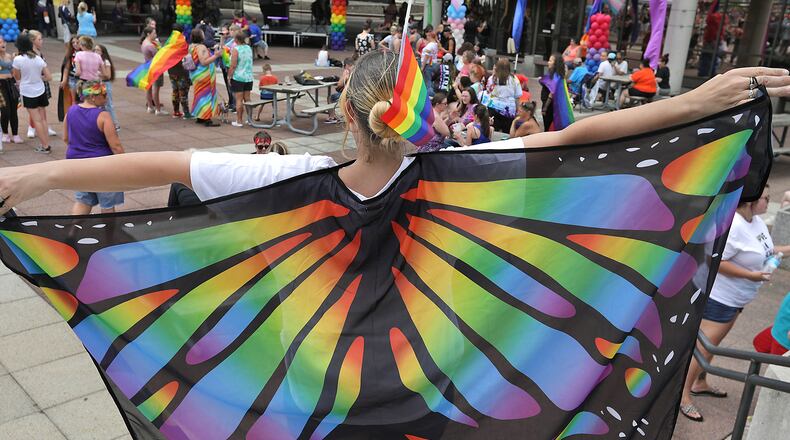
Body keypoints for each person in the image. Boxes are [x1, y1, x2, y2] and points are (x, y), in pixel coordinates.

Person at [0, 53, 786, 261]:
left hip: (315, 362)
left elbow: (155, 170)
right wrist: (700, 100)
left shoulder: (286, 174)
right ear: (421, 116)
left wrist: (33, 174)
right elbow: (578, 136)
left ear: (346, 113)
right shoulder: (468, 169)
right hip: (426, 371)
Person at [680, 187, 790, 422]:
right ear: (750, 202)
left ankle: (700, 382)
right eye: (765, 198)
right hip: (722, 299)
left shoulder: (757, 222)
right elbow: (715, 260)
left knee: (713, 345)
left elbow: (768, 251)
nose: (769, 202)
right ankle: (683, 396)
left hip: (738, 299)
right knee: (705, 347)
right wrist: (750, 276)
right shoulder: (735, 226)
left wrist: (786, 251)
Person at [63, 81, 124, 214]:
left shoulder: (71, 111)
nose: (106, 97)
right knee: (107, 205)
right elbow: (116, 146)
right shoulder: (103, 116)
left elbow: (66, 139)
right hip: (102, 166)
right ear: (93, 97)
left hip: (78, 165)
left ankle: (73, 232)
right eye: (103, 94)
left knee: (83, 201)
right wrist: (126, 163)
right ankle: (109, 234)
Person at [12, 32, 52, 154]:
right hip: (40, 90)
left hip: (28, 91)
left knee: (37, 120)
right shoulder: (38, 58)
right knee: (43, 119)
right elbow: (49, 77)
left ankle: (45, 146)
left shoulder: (18, 59)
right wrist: (39, 78)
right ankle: (47, 144)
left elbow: (17, 76)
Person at [188, 28, 220, 127]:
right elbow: (204, 62)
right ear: (200, 36)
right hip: (204, 75)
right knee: (207, 96)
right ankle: (207, 118)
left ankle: (200, 116)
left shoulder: (192, 46)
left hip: (196, 74)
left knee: (199, 95)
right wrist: (216, 56)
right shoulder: (201, 47)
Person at [485, 58, 522, 133]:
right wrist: (518, 109)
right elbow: (517, 96)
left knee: (493, 130)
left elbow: (488, 91)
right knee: (507, 131)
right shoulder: (514, 79)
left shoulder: (493, 79)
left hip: (494, 107)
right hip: (509, 109)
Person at [228, 31, 253, 128]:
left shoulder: (236, 49)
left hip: (238, 77)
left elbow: (233, 65)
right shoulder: (249, 48)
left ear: (236, 40)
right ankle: (250, 120)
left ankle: (239, 120)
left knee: (239, 100)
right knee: (248, 99)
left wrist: (229, 76)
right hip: (248, 77)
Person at [166, 26, 191, 120]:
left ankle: (176, 111)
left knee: (175, 91)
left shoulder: (169, 41)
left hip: (171, 70)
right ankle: (186, 113)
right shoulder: (182, 42)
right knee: (183, 91)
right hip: (181, 71)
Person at [141, 27, 167, 115]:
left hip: (147, 67)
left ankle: (150, 107)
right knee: (156, 89)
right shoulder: (150, 45)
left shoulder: (145, 42)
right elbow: (159, 56)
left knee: (148, 88)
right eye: (154, 33)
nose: (155, 35)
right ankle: (158, 109)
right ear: (148, 34)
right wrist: (160, 46)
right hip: (155, 68)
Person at [0, 36, 20, 145]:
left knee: (14, 110)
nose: (2, 44)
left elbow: (13, 72)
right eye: (0, 42)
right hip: (1, 85)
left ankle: (16, 134)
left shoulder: (9, 56)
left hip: (11, 84)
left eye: (3, 41)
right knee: (5, 110)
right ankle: (5, 133)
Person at [94, 44, 119, 130]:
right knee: (99, 105)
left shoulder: (105, 61)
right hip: (98, 84)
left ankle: (114, 124)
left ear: (102, 52)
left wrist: (98, 74)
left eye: (98, 50)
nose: (96, 52)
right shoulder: (95, 60)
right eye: (95, 50)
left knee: (108, 105)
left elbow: (108, 75)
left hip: (105, 84)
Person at [540, 53, 566, 132]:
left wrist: (545, 108)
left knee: (548, 128)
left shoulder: (555, 77)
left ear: (556, 64)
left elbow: (552, 93)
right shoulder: (556, 75)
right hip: (552, 106)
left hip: (550, 106)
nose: (548, 62)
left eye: (550, 61)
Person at [326, 57, 354, 124]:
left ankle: (332, 117)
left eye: (344, 66)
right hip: (356, 93)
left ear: (346, 65)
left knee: (330, 98)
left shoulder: (347, 71)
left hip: (349, 95)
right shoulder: (357, 69)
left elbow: (339, 85)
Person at [60, 37, 79, 116]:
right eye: (73, 43)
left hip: (82, 79)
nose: (75, 44)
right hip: (72, 78)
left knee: (83, 99)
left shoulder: (84, 53)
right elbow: (66, 68)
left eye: (77, 42)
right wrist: (64, 80)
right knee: (73, 100)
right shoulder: (70, 54)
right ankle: (74, 116)